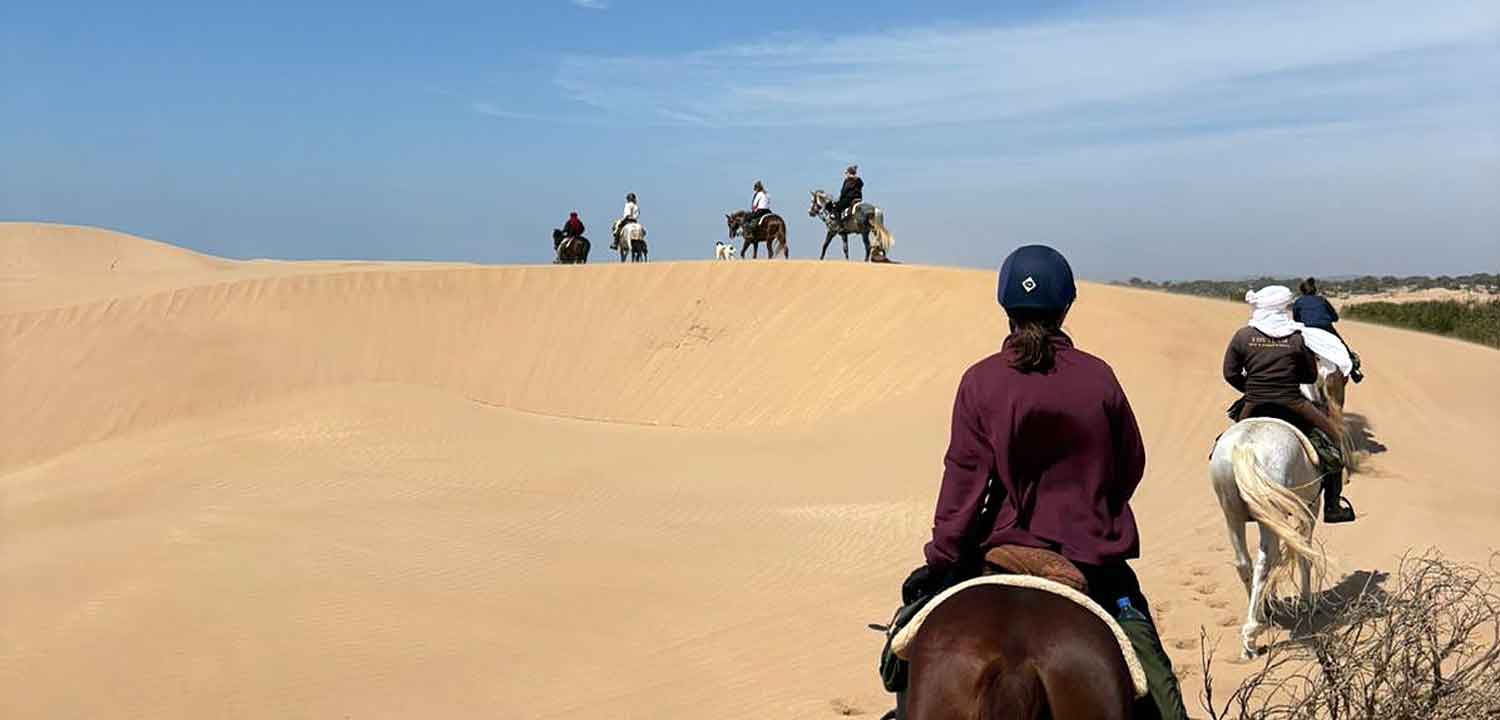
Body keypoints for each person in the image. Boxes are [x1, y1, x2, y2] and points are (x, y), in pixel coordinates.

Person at [902, 245, 1189, 719]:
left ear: (1005, 307)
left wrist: (941, 560)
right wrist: (1094, 507)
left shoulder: (981, 380)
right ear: (1067, 306)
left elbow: (963, 483)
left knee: (902, 653)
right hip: (1090, 557)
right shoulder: (1099, 378)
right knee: (1157, 688)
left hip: (999, 546)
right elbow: (1129, 465)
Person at [1224, 285, 1356, 523]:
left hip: (1254, 403)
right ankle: (1333, 507)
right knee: (1333, 442)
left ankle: (1238, 501)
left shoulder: (1242, 336)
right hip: (1293, 403)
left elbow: (1230, 373)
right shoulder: (1296, 338)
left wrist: (1253, 388)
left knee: (1224, 447)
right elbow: (1308, 376)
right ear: (1282, 309)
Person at [1293, 278, 1363, 383]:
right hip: (1325, 327)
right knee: (1342, 345)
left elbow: (1296, 319)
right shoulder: (1322, 300)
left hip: (1307, 329)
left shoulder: (1298, 302)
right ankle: (1354, 372)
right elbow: (1335, 317)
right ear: (1315, 290)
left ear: (1302, 291)